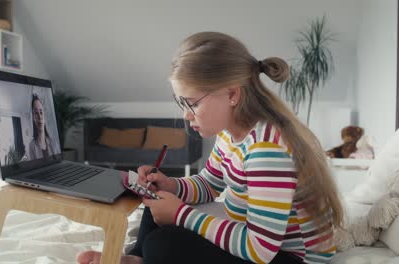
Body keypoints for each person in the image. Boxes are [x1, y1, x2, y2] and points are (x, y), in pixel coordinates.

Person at [77, 32, 343, 264]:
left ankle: (144, 258)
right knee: (154, 198)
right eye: (181, 103)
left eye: (192, 103)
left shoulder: (267, 149)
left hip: (288, 257)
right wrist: (170, 186)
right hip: (258, 238)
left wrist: (181, 215)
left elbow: (260, 249)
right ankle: (136, 258)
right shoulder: (229, 134)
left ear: (232, 94)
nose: (186, 115)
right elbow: (208, 184)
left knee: (163, 245)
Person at [28, 94, 56, 160]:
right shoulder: (31, 146)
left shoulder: (53, 142)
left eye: (41, 112)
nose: (40, 117)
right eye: (36, 113)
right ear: (33, 118)